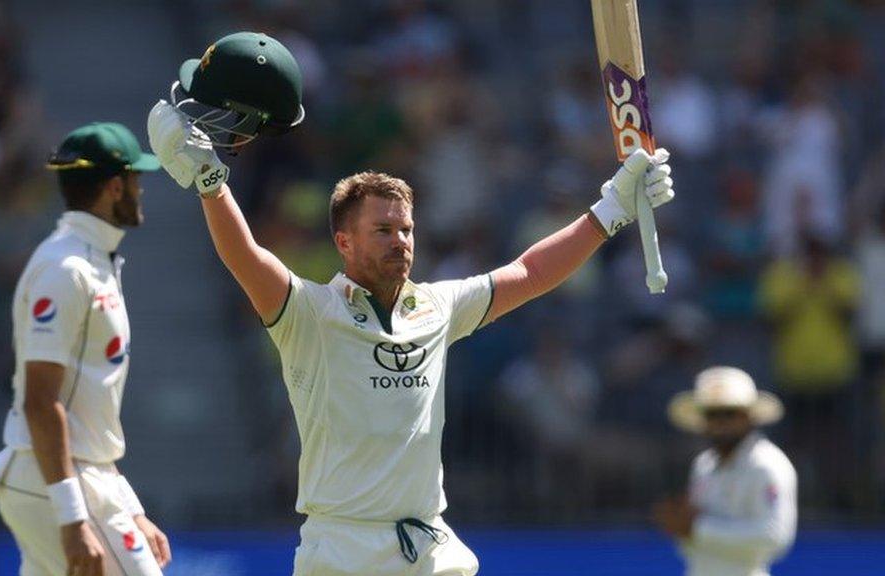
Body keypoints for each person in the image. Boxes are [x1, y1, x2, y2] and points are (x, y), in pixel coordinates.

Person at [148, 31, 674, 576]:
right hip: (340, 550)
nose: (400, 241)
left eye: (406, 229)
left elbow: (530, 271)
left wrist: (612, 208)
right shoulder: (308, 313)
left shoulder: (439, 306)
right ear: (343, 242)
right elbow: (246, 256)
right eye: (382, 230)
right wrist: (211, 182)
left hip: (428, 547)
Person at [0, 122, 171, 576]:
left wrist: (129, 506)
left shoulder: (90, 261)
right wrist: (71, 517)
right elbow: (41, 402)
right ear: (114, 185)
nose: (141, 192)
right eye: (137, 181)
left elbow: (87, 414)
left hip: (76, 476)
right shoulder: (67, 269)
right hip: (54, 480)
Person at [653, 366, 797, 576]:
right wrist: (679, 528)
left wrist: (697, 529)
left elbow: (774, 537)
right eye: (712, 414)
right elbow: (695, 542)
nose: (720, 422)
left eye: (729, 413)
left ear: (749, 416)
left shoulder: (766, 464)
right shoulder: (704, 465)